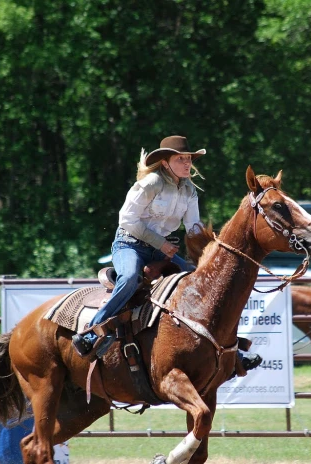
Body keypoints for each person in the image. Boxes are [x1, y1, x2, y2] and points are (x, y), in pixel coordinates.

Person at [72, 136, 262, 373]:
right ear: (165, 163)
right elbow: (127, 221)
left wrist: (216, 249)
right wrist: (160, 244)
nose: (187, 164)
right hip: (128, 245)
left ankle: (231, 353)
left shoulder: (189, 190)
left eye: (189, 159)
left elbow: (193, 228)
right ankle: (92, 330)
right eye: (180, 159)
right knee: (130, 277)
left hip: (161, 253)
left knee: (206, 284)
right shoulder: (150, 183)